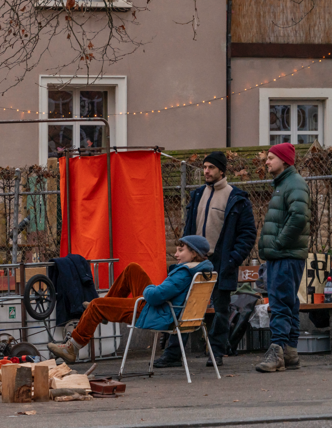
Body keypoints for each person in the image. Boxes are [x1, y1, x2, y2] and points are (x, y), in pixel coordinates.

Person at [154, 151, 256, 368]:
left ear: (222, 170)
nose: (206, 171)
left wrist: (232, 259)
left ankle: (216, 353)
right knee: (183, 307)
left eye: (211, 167)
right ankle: (173, 354)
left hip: (221, 262)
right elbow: (189, 229)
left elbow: (247, 235)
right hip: (193, 262)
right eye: (205, 167)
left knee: (221, 311)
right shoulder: (198, 195)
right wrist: (184, 253)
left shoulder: (236, 198)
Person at [48, 236, 214, 364]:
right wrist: (152, 290)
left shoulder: (183, 273)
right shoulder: (201, 271)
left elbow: (155, 296)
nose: (176, 254)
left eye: (181, 250)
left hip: (154, 312)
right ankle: (106, 308)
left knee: (97, 305)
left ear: (194, 253)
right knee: (132, 269)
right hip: (163, 309)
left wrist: (149, 289)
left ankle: (72, 347)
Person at [255, 142, 310, 373]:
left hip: (285, 254)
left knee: (279, 303)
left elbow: (299, 217)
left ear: (284, 160)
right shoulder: (285, 183)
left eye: (271, 158)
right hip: (284, 254)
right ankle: (290, 353)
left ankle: (277, 353)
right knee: (289, 302)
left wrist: (278, 244)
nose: (267, 162)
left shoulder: (293, 183)